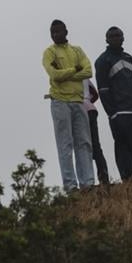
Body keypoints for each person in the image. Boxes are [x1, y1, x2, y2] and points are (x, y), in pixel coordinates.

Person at [42, 20, 95, 192]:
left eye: (58, 31)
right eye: (52, 32)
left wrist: (66, 73)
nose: (55, 34)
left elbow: (88, 71)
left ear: (66, 31)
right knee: (65, 144)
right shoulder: (49, 52)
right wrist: (74, 71)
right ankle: (70, 185)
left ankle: (87, 183)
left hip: (78, 101)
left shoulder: (77, 50)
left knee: (84, 142)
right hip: (59, 101)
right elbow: (54, 75)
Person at [94, 26, 132, 182]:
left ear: (123, 38)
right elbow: (103, 89)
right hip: (120, 113)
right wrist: (113, 114)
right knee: (123, 149)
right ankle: (129, 181)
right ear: (106, 39)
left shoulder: (128, 57)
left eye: (118, 35)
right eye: (112, 36)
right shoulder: (102, 60)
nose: (116, 38)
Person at [82, 79, 111, 185]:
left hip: (79, 110)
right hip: (91, 109)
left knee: (82, 147)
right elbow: (95, 94)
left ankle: (87, 180)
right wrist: (88, 101)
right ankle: (104, 177)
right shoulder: (85, 77)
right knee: (95, 144)